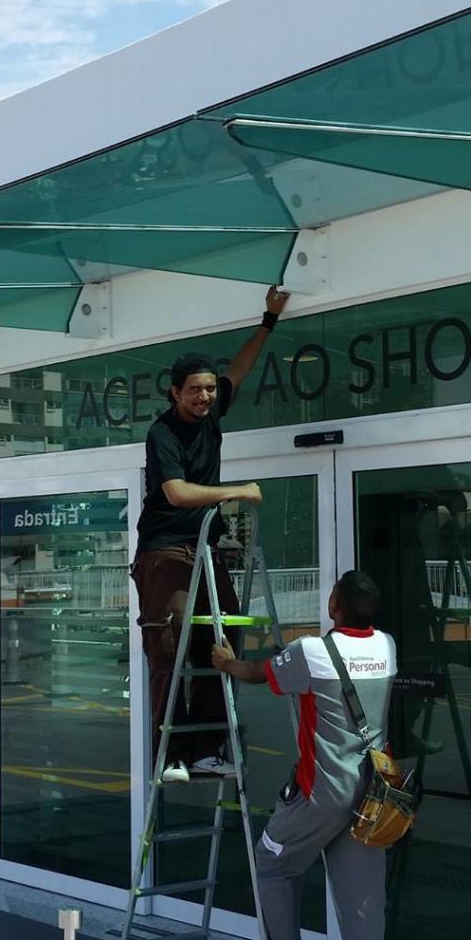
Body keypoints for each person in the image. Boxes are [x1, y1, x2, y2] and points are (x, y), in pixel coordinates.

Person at [132, 284, 290, 784]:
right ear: (174, 393)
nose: (205, 397)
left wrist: (268, 320)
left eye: (209, 390)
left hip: (203, 549)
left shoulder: (213, 411)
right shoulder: (162, 434)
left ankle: (206, 747)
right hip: (164, 552)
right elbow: (176, 493)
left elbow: (239, 368)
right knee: (173, 640)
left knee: (222, 640)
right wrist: (236, 490)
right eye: (194, 390)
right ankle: (170, 754)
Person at [212, 570, 396, 940]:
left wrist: (225, 663)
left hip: (319, 796)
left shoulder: (312, 652)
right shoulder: (387, 646)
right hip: (371, 799)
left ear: (334, 607)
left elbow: (258, 672)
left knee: (272, 865)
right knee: (364, 908)